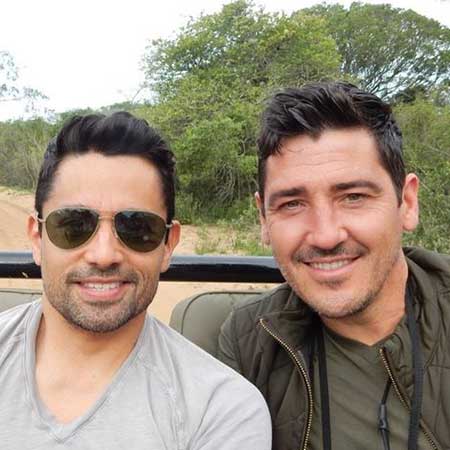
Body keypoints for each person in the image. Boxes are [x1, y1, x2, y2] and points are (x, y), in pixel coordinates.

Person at [0, 112, 271, 449]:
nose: (104, 254)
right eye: (74, 225)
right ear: (36, 238)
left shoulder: (220, 410)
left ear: (168, 245)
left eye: (137, 228)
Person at [218, 81, 450, 450]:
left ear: (407, 203)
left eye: (353, 197)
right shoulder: (250, 343)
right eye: (292, 204)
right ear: (263, 218)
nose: (325, 236)